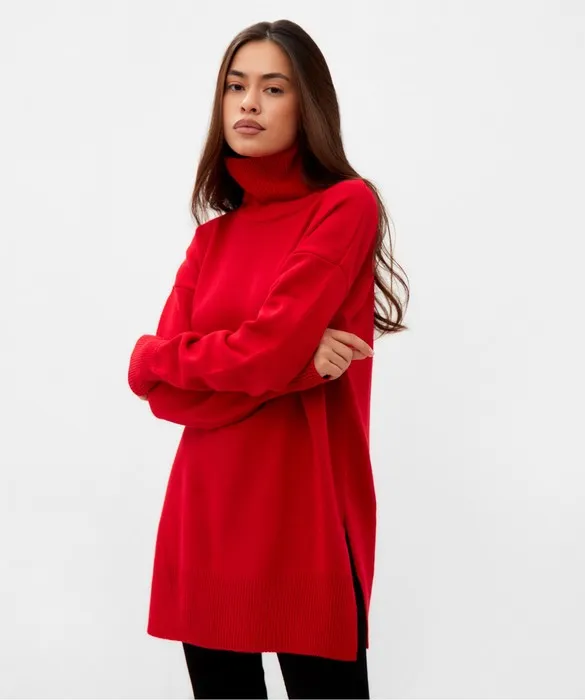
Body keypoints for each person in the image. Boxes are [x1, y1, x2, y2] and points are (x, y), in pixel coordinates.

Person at [127, 18, 409, 700]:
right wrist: (299, 365)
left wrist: (219, 357)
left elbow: (253, 354)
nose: (248, 103)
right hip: (205, 514)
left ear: (309, 106)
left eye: (273, 88)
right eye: (236, 86)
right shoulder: (212, 239)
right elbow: (155, 384)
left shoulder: (346, 206)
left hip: (305, 517)